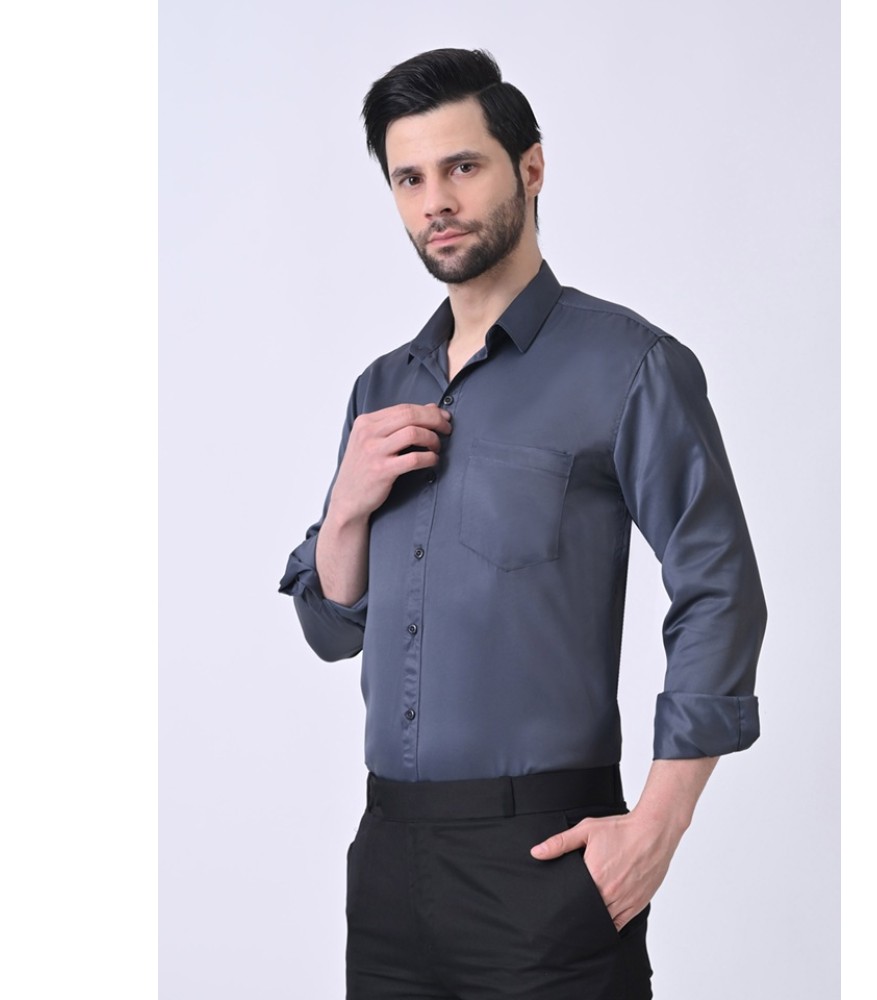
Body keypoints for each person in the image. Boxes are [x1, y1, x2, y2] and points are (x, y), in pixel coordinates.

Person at [279, 47, 766, 1000]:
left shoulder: (630, 367)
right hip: (387, 868)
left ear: (530, 167)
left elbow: (721, 590)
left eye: (462, 166)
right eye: (409, 179)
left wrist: (657, 829)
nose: (436, 202)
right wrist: (344, 509)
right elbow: (331, 628)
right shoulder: (381, 389)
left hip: (546, 861)